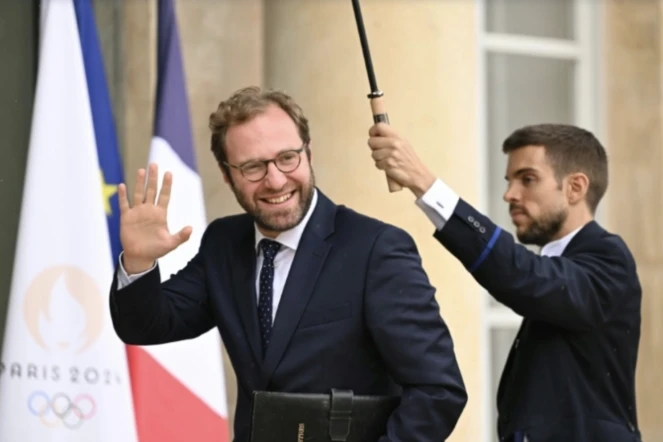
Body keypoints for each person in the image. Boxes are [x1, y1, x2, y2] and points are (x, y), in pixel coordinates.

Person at [109, 86, 467, 442]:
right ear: (226, 174)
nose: (275, 179)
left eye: (287, 158)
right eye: (253, 167)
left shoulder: (376, 249)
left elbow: (438, 391)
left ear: (308, 153)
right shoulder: (223, 243)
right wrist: (139, 262)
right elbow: (147, 326)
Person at [367, 122, 642, 442]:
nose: (509, 194)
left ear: (575, 188)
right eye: (509, 181)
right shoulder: (562, 268)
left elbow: (523, 276)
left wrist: (424, 183)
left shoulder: (610, 259)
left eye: (528, 179)